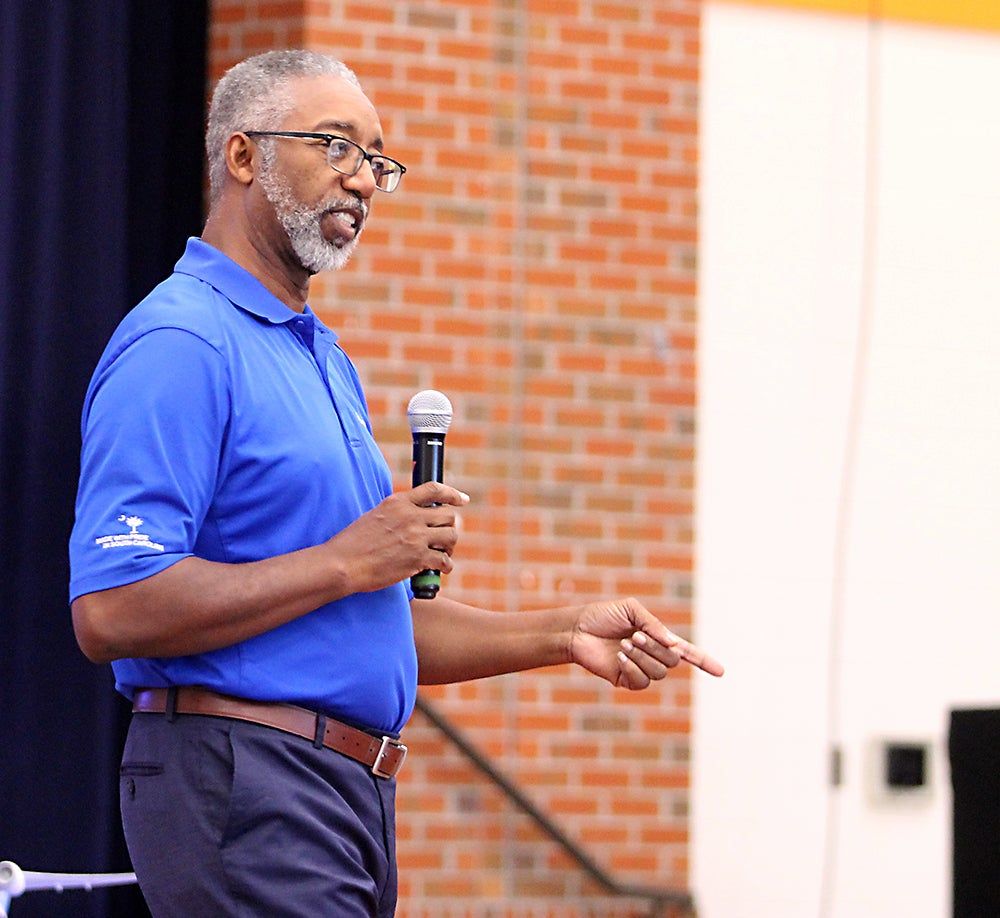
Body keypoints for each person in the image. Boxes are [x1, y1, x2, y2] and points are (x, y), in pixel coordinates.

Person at [69, 50, 723, 917]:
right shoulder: (183, 344)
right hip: (246, 781)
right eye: (336, 147)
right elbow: (112, 608)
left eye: (377, 159)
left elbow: (364, 614)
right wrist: (346, 560)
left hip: (344, 795)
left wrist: (564, 632)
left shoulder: (315, 355)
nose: (365, 180)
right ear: (241, 158)